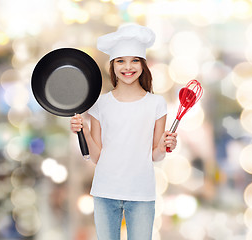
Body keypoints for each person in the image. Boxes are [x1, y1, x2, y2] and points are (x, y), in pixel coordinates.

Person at [70, 24, 177, 240]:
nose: (128, 67)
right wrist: (85, 131)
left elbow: (156, 155)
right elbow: (97, 157)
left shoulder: (156, 104)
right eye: (121, 61)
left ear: (143, 64)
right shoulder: (99, 104)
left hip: (141, 193)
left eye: (134, 60)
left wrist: (166, 145)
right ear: (113, 65)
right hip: (105, 191)